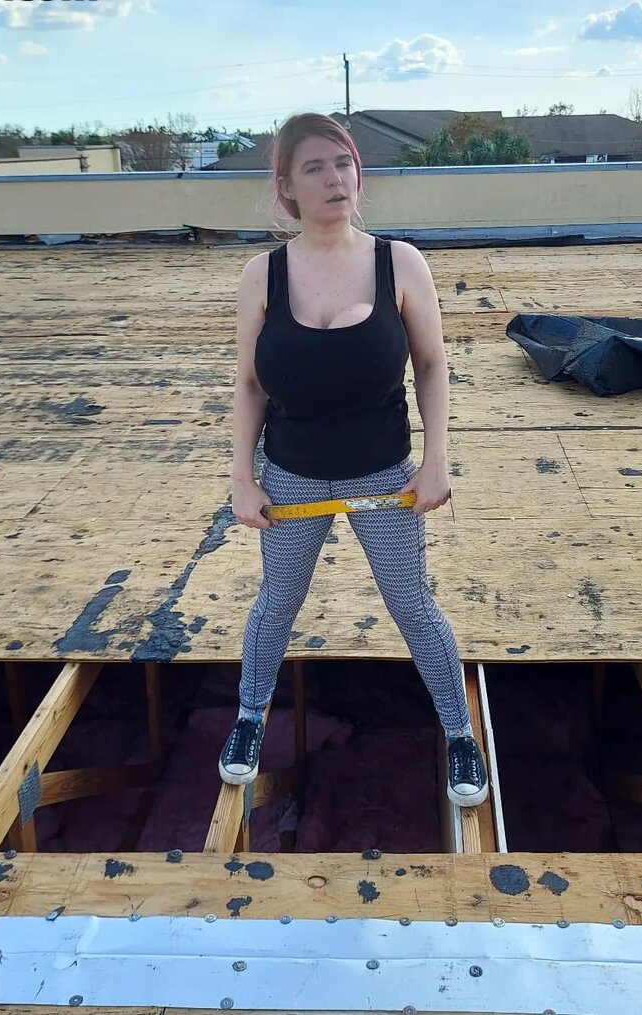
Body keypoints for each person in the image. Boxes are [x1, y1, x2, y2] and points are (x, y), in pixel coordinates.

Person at [219, 111, 489, 809]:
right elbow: (249, 384)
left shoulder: (400, 262)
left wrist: (436, 459)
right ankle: (249, 718)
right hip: (291, 476)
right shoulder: (261, 276)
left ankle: (459, 731)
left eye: (343, 163)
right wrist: (241, 477)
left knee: (411, 603)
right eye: (314, 167)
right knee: (278, 601)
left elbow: (432, 365)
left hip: (384, 476)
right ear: (286, 186)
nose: (335, 179)